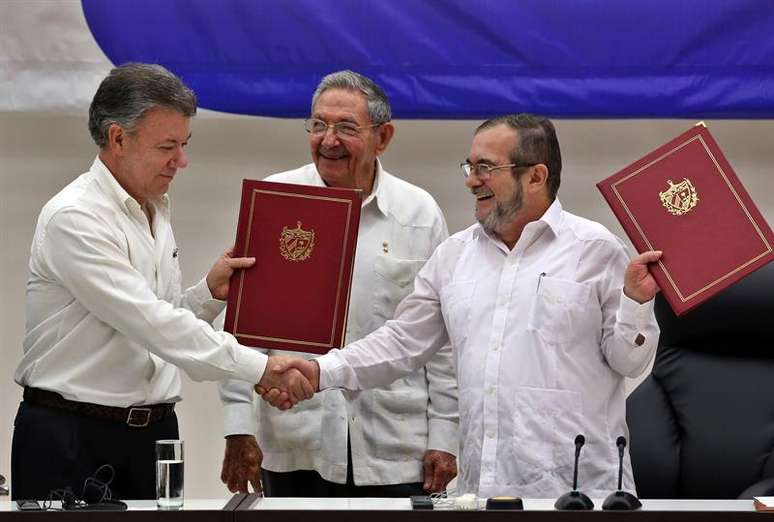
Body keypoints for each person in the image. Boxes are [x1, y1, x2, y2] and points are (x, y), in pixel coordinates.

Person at [264, 113, 662, 499]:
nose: (472, 181)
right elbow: (401, 342)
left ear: (536, 176)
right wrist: (320, 371)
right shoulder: (454, 256)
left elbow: (629, 362)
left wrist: (637, 304)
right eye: (469, 167)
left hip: (578, 492)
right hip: (483, 491)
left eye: (486, 168)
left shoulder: (595, 249)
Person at [11, 63, 311, 501]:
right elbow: (153, 324)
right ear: (117, 138)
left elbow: (155, 328)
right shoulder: (74, 217)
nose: (182, 160)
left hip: (151, 434)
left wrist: (208, 295)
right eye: (168, 146)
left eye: (184, 144)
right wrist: (263, 368)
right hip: (71, 437)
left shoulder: (154, 208)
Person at [219, 70, 459, 497]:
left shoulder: (419, 212)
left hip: (395, 448)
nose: (328, 140)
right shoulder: (277, 199)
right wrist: (238, 428)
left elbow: (439, 340)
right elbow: (243, 333)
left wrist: (444, 435)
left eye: (346, 128)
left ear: (382, 137)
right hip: (296, 440)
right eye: (318, 125)